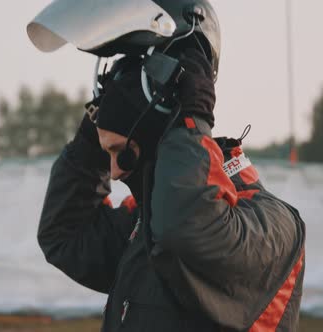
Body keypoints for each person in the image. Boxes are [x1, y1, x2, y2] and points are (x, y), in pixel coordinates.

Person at [28, 0, 306, 331]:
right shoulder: (148, 219)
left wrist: (190, 119)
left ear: (162, 136)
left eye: (122, 152)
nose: (114, 171)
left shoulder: (275, 227)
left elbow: (188, 229)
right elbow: (65, 235)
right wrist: (93, 135)